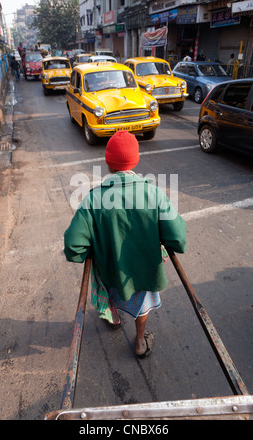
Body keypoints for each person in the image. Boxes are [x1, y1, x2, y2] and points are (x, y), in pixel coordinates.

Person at [64, 131, 187, 359]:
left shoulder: (93, 199)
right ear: (136, 160)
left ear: (108, 162)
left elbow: (73, 248)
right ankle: (140, 341)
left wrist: (94, 246)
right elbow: (178, 239)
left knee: (106, 282)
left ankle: (114, 317)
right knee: (142, 303)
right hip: (144, 273)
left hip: (110, 275)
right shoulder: (154, 194)